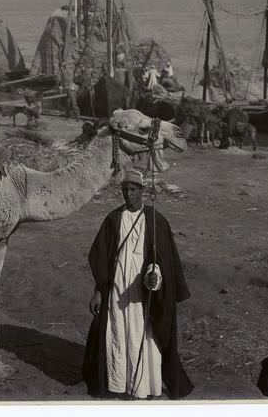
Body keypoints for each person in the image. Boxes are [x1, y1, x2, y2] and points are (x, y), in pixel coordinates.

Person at [82, 170, 193, 400]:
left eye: (133, 190)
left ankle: (145, 386)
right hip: (116, 288)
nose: (128, 195)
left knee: (144, 335)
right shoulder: (113, 219)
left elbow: (163, 259)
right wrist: (98, 292)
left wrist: (155, 276)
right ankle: (119, 384)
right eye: (125, 190)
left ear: (142, 191)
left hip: (143, 291)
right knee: (117, 333)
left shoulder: (155, 220)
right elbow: (101, 257)